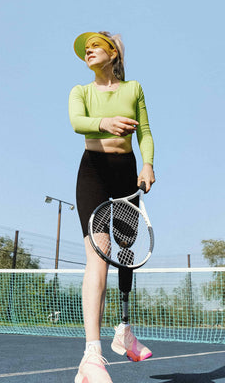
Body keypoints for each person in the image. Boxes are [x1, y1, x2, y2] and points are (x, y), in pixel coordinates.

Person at [69, 31, 156, 383]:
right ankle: (92, 354)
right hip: (92, 170)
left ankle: (124, 330)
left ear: (113, 53)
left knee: (125, 252)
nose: (88, 50)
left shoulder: (133, 88)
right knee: (99, 254)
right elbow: (77, 123)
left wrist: (147, 163)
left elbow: (145, 132)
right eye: (86, 48)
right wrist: (104, 123)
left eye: (96, 45)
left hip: (125, 173)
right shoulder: (81, 92)